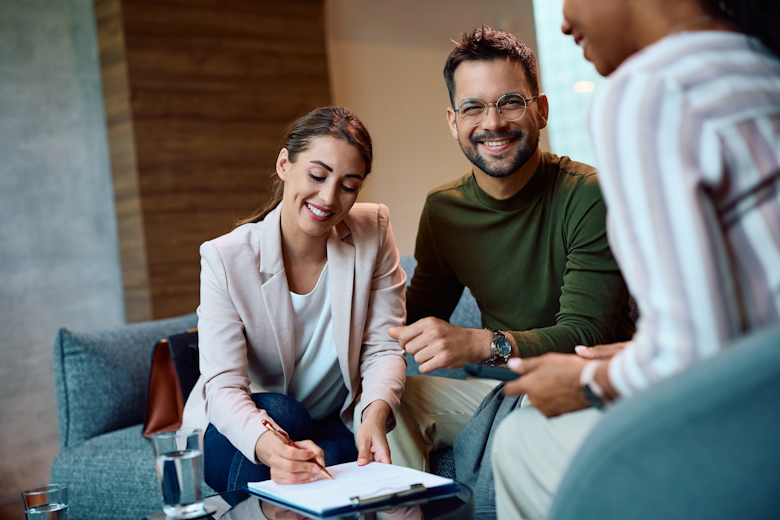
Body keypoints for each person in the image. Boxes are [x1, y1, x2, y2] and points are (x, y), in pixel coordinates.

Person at [491, 1, 780, 519]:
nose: (561, 21)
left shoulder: (649, 90)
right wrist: (633, 355)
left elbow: (694, 354)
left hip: (754, 430)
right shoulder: (759, 65)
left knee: (523, 437)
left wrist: (586, 381)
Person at [386, 27, 635, 517]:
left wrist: (481, 343)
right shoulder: (443, 210)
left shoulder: (587, 194)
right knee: (387, 402)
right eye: (473, 108)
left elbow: (586, 333)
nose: (492, 123)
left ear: (540, 108)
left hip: (586, 384)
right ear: (453, 121)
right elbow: (412, 320)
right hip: (500, 387)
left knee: (526, 417)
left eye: (510, 102)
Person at [181, 106, 408, 492]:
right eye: (317, 175)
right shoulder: (225, 257)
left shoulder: (374, 230)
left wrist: (373, 414)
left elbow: (384, 346)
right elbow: (223, 387)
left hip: (327, 423)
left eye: (349, 185)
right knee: (287, 414)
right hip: (238, 429)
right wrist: (272, 449)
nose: (329, 197)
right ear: (285, 163)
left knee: (329, 458)